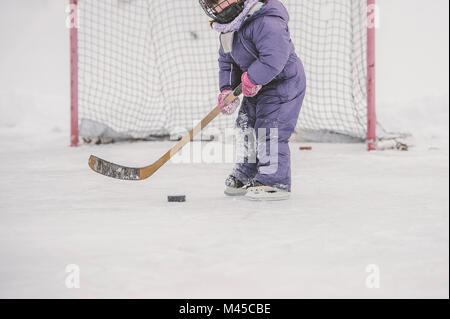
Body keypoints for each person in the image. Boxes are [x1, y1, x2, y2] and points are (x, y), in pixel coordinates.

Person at [199, 0, 306, 201]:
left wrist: (254, 77)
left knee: (269, 129)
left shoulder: (265, 20)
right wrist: (227, 90)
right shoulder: (228, 29)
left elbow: (274, 56)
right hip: (254, 86)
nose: (218, 7)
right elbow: (227, 62)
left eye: (220, 1)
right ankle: (248, 172)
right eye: (213, 3)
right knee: (245, 125)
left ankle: (273, 180)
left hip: (282, 83)